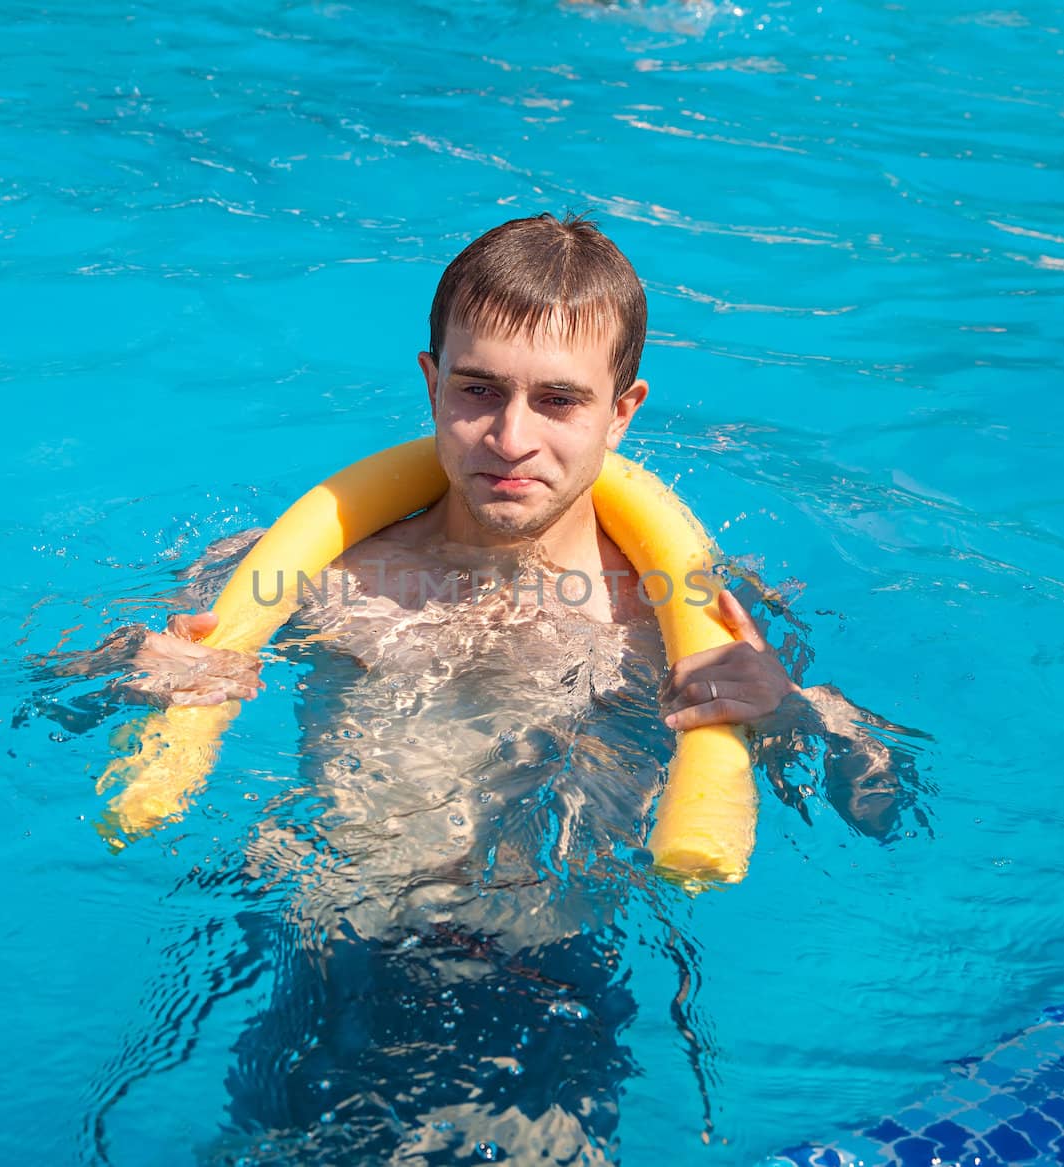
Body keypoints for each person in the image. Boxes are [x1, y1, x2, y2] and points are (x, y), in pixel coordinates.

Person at [52, 214, 925, 1163]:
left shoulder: (691, 611)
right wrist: (129, 673)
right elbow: (52, 697)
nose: (512, 438)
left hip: (542, 989)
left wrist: (789, 716)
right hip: (330, 959)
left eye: (558, 400)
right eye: (478, 392)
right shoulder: (317, 573)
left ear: (622, 410)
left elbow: (885, 806)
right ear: (431, 384)